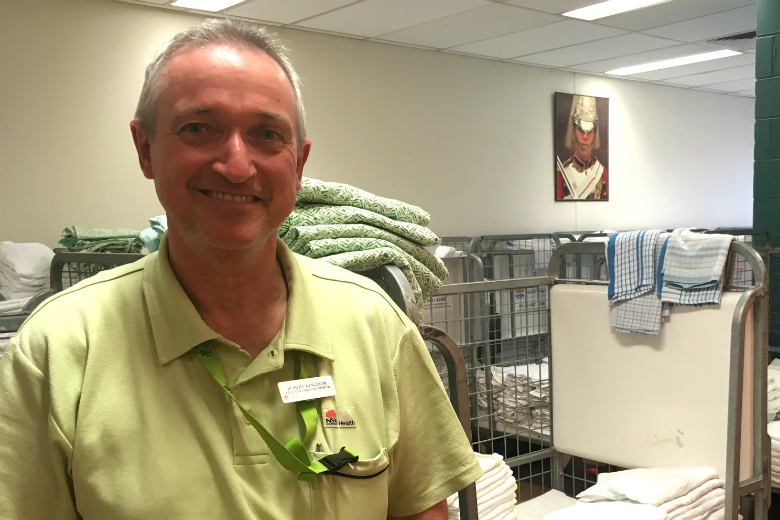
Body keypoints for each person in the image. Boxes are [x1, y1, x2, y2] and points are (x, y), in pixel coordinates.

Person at [0, 19, 481, 520]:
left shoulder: (377, 326)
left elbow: (421, 509)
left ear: (298, 164)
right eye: (198, 128)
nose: (236, 165)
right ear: (145, 148)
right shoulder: (56, 352)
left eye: (267, 135)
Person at [556, 95, 608, 200]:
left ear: (594, 135)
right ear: (573, 133)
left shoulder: (602, 172)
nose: (585, 137)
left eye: (589, 132)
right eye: (581, 130)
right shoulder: (562, 172)